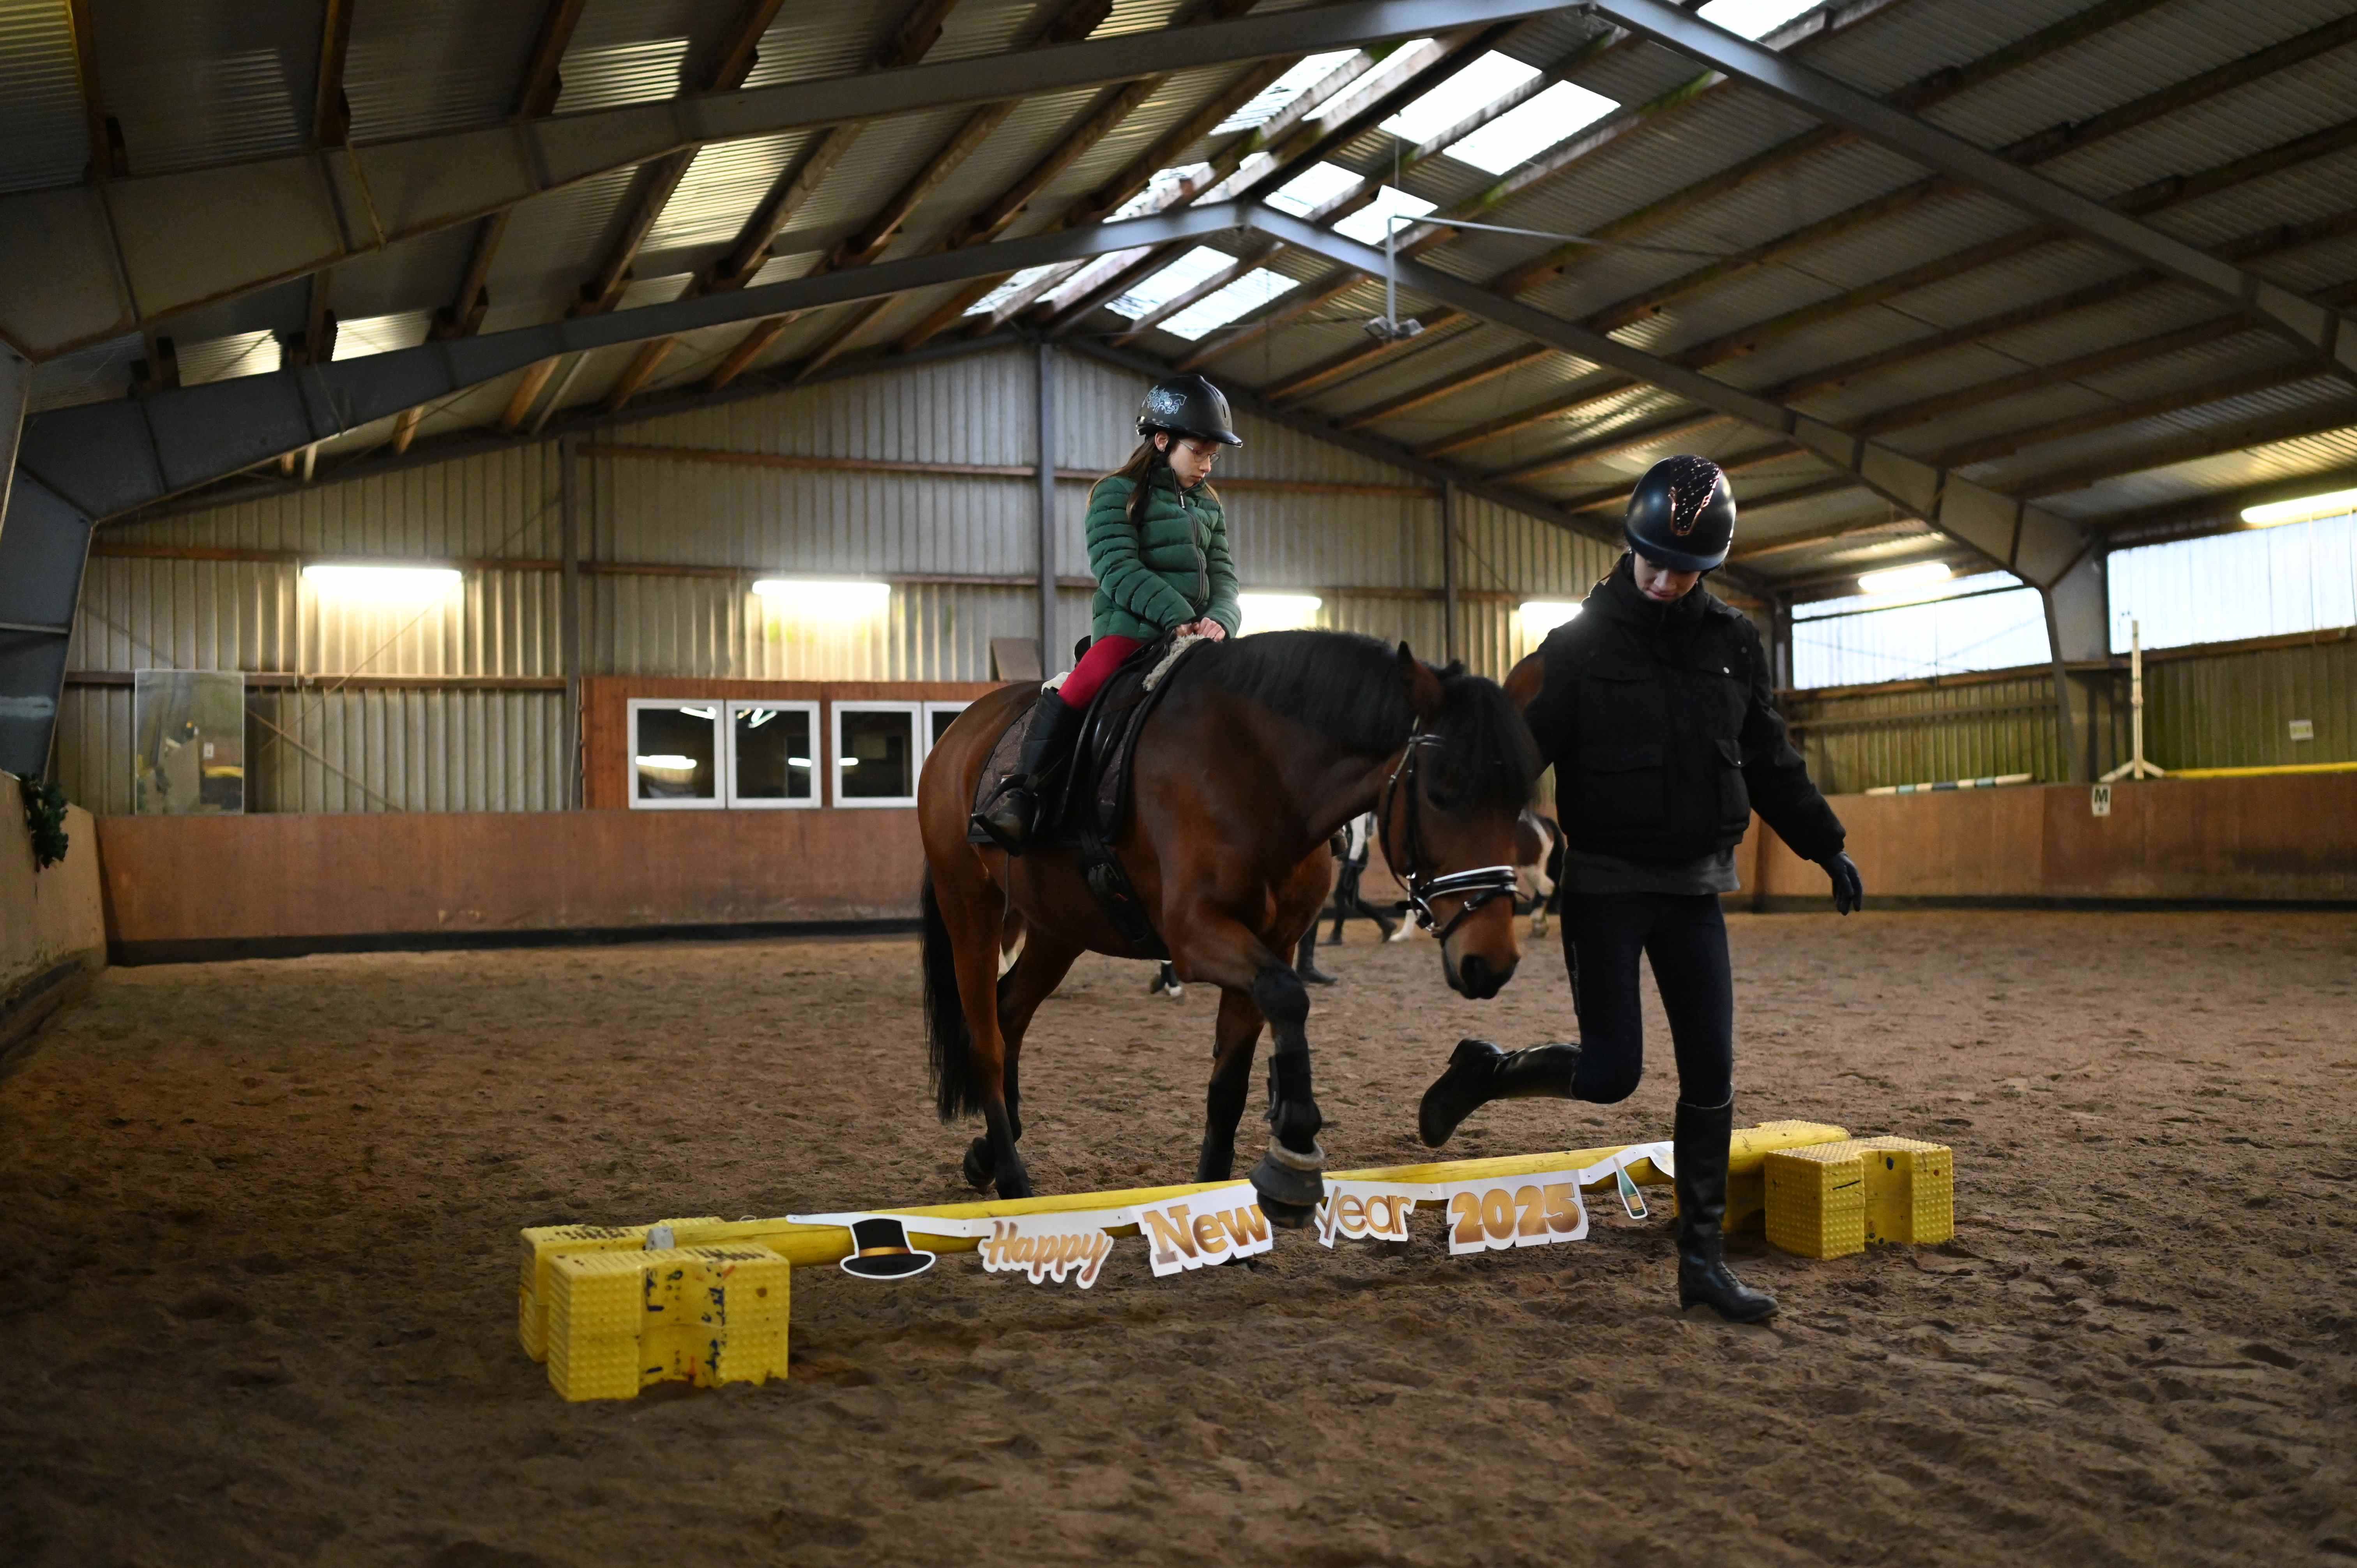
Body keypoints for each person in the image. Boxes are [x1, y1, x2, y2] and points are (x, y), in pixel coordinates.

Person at [1415, 454, 1863, 1324]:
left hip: (1696, 889)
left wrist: (1826, 844)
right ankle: (1489, 1071)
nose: (1663, 581)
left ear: (1710, 567)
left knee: (1711, 1074)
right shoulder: (1576, 648)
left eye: (1684, 570)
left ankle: (1702, 1263)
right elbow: (1514, 755)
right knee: (1612, 1072)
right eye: (1653, 562)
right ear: (1629, 544)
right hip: (1608, 888)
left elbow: (1769, 758)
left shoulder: (1733, 643)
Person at [973, 373, 1242, 851]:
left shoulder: (1209, 506)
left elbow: (1224, 575)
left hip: (1202, 637)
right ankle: (1022, 794)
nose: (1206, 465)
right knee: (1085, 682)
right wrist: (1176, 617)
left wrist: (1221, 618)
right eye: (1199, 452)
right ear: (1163, 440)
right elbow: (1117, 568)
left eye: (1213, 456)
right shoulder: (1115, 493)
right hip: (1132, 632)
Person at [1325, 812, 1402, 945]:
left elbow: (1360, 837)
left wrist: (1352, 862)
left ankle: (1337, 935)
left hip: (1356, 861)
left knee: (1340, 895)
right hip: (1353, 860)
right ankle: (1385, 923)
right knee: (1352, 899)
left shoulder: (1358, 813)